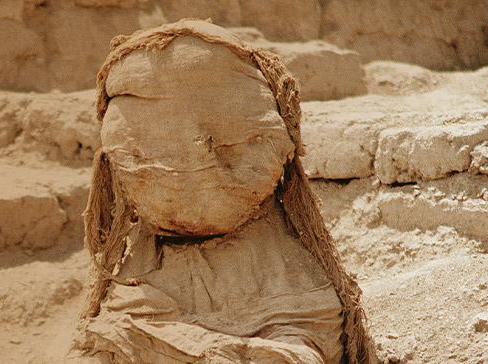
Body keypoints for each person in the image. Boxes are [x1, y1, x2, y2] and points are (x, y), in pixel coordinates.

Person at [74, 20, 375, 364]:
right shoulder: (135, 283)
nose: (199, 160)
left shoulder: (291, 285)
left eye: (226, 145)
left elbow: (308, 343)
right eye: (143, 155)